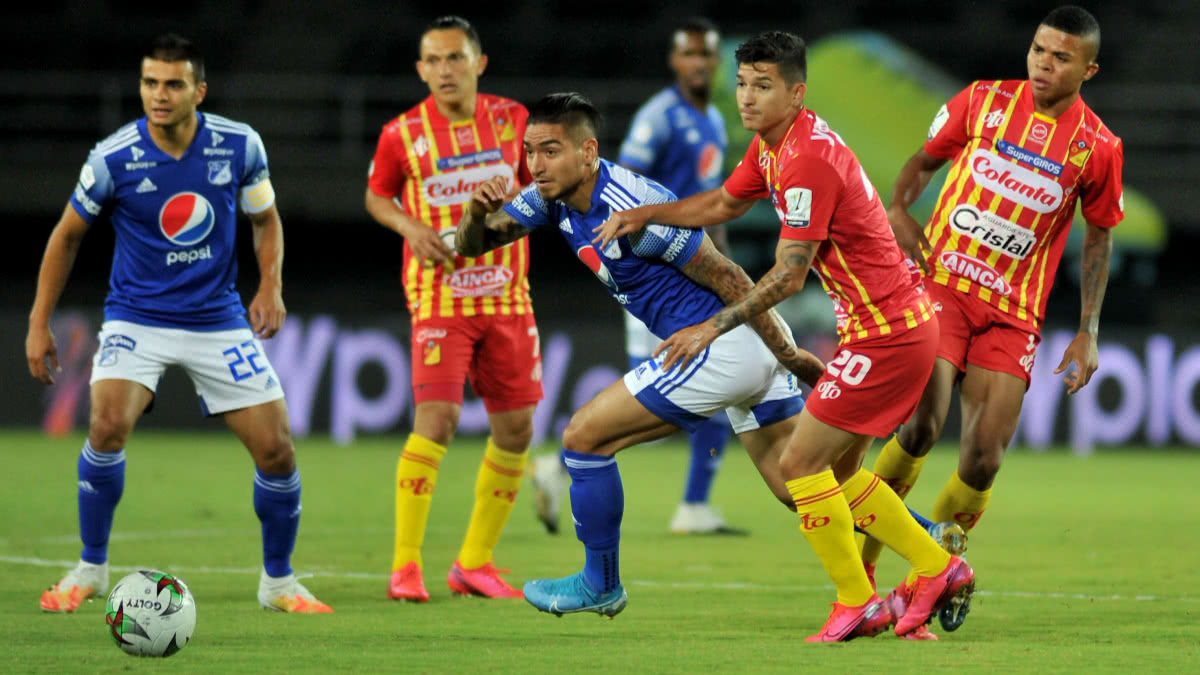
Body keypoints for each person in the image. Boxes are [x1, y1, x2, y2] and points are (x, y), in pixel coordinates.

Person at [595, 32, 976, 641]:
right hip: (886, 328)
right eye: (742, 82)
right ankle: (935, 566)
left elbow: (791, 273)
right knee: (841, 477)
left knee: (800, 463)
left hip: (888, 335)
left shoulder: (806, 160)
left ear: (796, 93)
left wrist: (712, 325)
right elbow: (723, 201)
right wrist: (648, 213)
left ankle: (860, 599)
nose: (746, 96)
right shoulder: (775, 145)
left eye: (762, 85)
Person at [26, 34, 331, 614]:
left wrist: (270, 285)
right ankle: (90, 568)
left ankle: (279, 584)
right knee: (106, 426)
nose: (158, 96)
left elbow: (265, 220)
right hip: (136, 317)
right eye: (149, 84)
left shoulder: (239, 146)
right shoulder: (112, 156)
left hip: (217, 319)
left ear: (199, 91)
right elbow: (66, 236)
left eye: (172, 84)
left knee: (277, 451)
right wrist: (39, 322)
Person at [855, 5, 1124, 630]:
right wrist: (897, 208)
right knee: (921, 425)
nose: (1042, 64)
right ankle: (863, 578)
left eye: (1060, 57)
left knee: (983, 461)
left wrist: (1088, 330)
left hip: (1014, 315)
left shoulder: (1098, 147)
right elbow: (923, 161)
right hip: (943, 287)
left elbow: (1099, 237)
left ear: (1089, 69)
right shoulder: (981, 102)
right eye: (1037, 50)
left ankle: (921, 581)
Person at [528, 17, 744, 536]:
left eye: (708, 55)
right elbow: (620, 187)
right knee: (655, 405)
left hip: (693, 271)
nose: (700, 63)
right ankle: (563, 463)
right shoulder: (659, 118)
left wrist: (722, 262)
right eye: (690, 54)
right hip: (651, 274)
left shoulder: (714, 119)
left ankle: (693, 504)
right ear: (675, 60)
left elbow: (709, 205)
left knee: (708, 395)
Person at [364, 16, 540, 602]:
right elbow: (377, 195)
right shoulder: (400, 134)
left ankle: (474, 562)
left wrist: (514, 200)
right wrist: (409, 226)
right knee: (435, 421)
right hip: (441, 296)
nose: (445, 70)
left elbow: (538, 187)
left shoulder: (514, 121)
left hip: (509, 294)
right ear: (421, 70)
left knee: (516, 430)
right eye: (434, 61)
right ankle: (405, 566)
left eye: (456, 58)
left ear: (479, 63)